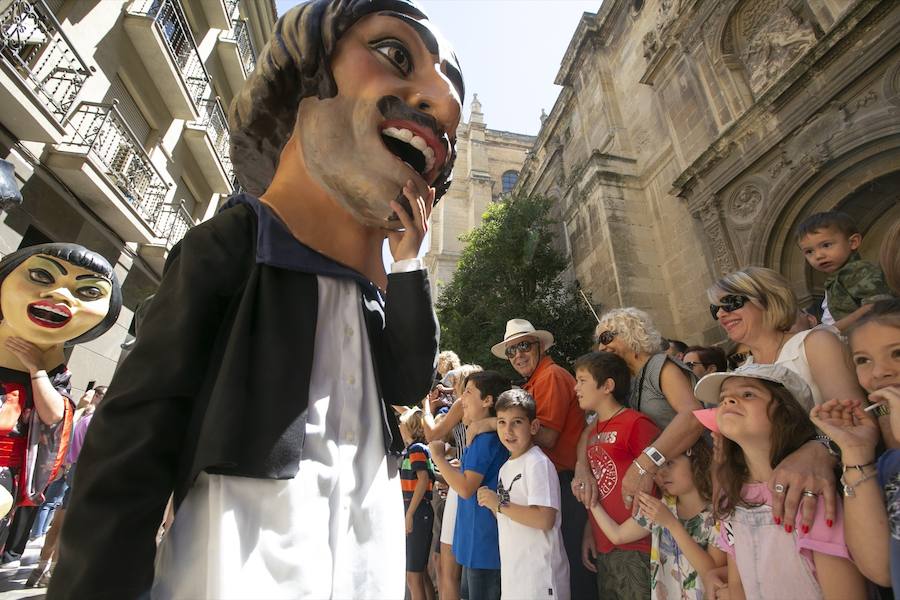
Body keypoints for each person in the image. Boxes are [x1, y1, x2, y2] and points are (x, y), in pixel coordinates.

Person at [51, 1, 465, 597]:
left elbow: (406, 382)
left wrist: (408, 262)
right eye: (395, 54)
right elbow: (135, 440)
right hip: (241, 565)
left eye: (450, 103)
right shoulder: (234, 245)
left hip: (361, 564)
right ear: (307, 77)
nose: (442, 105)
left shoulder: (370, 292)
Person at [707, 267, 871, 531]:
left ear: (768, 298)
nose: (722, 314)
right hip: (774, 509)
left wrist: (818, 449)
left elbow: (855, 419)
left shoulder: (814, 343)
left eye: (731, 302)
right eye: (715, 310)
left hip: (834, 492)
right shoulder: (741, 373)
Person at [693, 364, 865, 599]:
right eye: (723, 398)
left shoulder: (810, 493)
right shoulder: (731, 492)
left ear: (786, 412)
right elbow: (738, 585)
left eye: (747, 394)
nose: (728, 402)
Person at [0, 244, 121, 569]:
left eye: (88, 291)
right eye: (42, 275)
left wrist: (35, 367)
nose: (60, 296)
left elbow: (55, 417)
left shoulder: (53, 371)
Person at [479, 318, 593, 598]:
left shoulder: (550, 376)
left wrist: (491, 424)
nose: (518, 354)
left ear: (539, 345)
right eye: (511, 350)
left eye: (523, 346)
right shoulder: (536, 380)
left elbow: (548, 436)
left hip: (565, 485)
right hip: (554, 485)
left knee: (575, 577)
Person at [573, 308, 703, 526]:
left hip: (696, 481)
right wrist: (582, 468)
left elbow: (692, 416)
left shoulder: (661, 366)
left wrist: (643, 465)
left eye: (606, 338)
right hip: (669, 490)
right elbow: (589, 432)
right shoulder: (629, 384)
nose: (602, 347)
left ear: (631, 332)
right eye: (599, 341)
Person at [808, 298, 900, 593]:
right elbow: (881, 569)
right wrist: (856, 454)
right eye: (863, 360)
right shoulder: (887, 462)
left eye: (897, 353)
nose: (879, 372)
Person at [587, 438, 725, 600]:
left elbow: (714, 572)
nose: (661, 473)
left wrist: (671, 523)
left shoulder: (718, 514)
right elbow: (617, 535)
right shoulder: (662, 507)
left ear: (695, 460)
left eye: (669, 464)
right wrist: (590, 498)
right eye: (657, 468)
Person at [574, 351, 659, 599]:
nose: (575, 387)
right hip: (604, 546)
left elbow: (657, 482)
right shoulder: (592, 432)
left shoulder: (636, 423)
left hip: (637, 546)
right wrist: (590, 530)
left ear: (607, 385)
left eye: (582, 380)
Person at [476, 388, 570, 600]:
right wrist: (493, 505)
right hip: (516, 576)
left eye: (517, 422)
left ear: (533, 426)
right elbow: (510, 517)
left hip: (540, 578)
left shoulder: (537, 463)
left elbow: (545, 519)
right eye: (501, 422)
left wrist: (498, 503)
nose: (508, 430)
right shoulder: (505, 467)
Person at [429, 371, 508, 600]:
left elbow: (465, 488)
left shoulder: (486, 440)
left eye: (468, 392)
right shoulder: (481, 437)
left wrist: (439, 458)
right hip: (475, 546)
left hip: (484, 549)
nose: (461, 398)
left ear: (487, 401)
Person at [25, 385, 107, 588]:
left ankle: (40, 568)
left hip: (67, 468)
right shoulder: (97, 421)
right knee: (65, 524)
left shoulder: (83, 417)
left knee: (57, 521)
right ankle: (51, 572)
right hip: (80, 471)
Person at [423, 362, 479, 600]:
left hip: (464, 483)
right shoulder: (476, 407)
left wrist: (426, 405)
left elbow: (431, 433)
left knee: (448, 567)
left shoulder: (462, 404)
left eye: (454, 383)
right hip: (466, 475)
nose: (450, 389)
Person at [796, 211, 893, 332]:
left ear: (853, 242)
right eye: (809, 251)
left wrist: (833, 330)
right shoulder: (835, 279)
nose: (818, 256)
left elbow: (879, 305)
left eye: (826, 245)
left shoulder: (857, 271)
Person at [399, 407, 436, 600]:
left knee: (412, 577)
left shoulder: (416, 449)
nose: (399, 426)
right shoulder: (413, 450)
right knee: (420, 573)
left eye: (402, 424)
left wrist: (410, 514)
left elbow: (422, 480)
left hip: (417, 511)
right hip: (417, 511)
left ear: (410, 428)